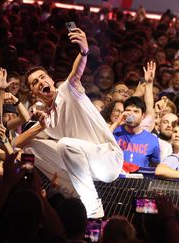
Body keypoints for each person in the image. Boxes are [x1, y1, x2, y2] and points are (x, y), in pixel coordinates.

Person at [19, 27, 123, 218]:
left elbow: (76, 73)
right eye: (34, 82)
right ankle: (74, 192)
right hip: (83, 165)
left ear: (50, 79)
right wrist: (40, 127)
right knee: (30, 147)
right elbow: (17, 143)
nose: (40, 81)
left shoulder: (68, 90)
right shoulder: (46, 118)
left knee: (65, 144)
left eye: (42, 77)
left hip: (108, 160)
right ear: (33, 92)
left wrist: (84, 51)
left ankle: (92, 208)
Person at [113, 97, 160, 170]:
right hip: (116, 179)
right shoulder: (115, 132)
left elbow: (155, 165)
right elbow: (100, 142)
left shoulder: (152, 140)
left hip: (139, 180)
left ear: (143, 116)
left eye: (136, 111)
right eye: (128, 110)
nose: (131, 114)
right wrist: (117, 122)